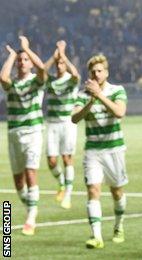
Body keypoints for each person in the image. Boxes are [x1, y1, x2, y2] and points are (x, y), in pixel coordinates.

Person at [71, 54, 128, 249]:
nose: (96, 74)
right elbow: (74, 118)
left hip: (114, 150)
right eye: (93, 71)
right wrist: (91, 100)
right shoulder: (83, 94)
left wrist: (100, 96)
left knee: (117, 192)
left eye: (99, 71)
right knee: (93, 190)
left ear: (106, 72)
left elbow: (119, 112)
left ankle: (119, 225)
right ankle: (96, 236)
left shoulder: (117, 90)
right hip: (93, 151)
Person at [0, 36, 47, 236]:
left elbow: (43, 70)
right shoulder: (12, 85)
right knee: (19, 182)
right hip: (14, 134)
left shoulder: (36, 82)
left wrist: (27, 49)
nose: (22, 62)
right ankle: (31, 208)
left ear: (30, 63)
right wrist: (12, 55)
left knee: (30, 174)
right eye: (20, 60)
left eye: (25, 60)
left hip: (33, 132)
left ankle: (31, 218)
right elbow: (3, 78)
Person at [43, 40, 80, 209]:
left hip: (67, 123)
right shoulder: (49, 81)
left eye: (62, 63)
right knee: (51, 161)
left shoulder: (71, 81)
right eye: (58, 63)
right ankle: (62, 183)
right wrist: (54, 55)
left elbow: (76, 75)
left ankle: (68, 195)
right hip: (52, 124)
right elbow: (41, 71)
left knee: (67, 158)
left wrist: (63, 55)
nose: (59, 65)